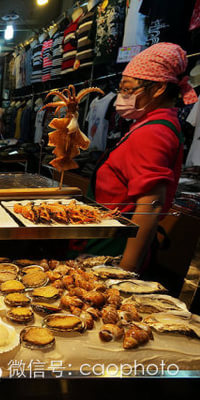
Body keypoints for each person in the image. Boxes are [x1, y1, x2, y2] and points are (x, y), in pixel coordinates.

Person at [88, 43, 198, 272]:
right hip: (107, 232)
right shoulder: (149, 124)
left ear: (157, 89)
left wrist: (125, 272)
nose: (121, 96)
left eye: (128, 89)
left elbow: (151, 206)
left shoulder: (153, 132)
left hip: (114, 247)